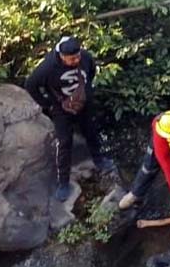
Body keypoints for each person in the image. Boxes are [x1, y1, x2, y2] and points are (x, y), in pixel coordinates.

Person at [24, 37, 116, 201]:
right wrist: (47, 104)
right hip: (61, 108)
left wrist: (86, 91)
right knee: (64, 142)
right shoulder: (48, 68)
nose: (76, 60)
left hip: (84, 103)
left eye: (77, 56)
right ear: (62, 56)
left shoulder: (85, 57)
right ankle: (63, 182)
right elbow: (31, 85)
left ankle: (99, 159)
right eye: (72, 59)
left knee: (91, 130)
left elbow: (92, 71)